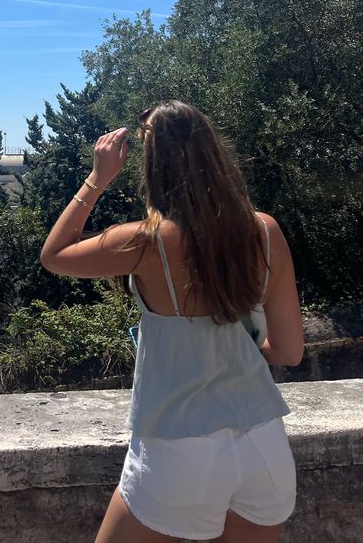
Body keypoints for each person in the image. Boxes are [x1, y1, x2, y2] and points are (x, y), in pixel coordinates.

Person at [40, 100, 304, 543]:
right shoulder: (264, 231)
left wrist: (97, 178)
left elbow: (54, 256)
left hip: (179, 447)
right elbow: (289, 352)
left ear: (153, 165)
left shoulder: (145, 242)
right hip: (263, 443)